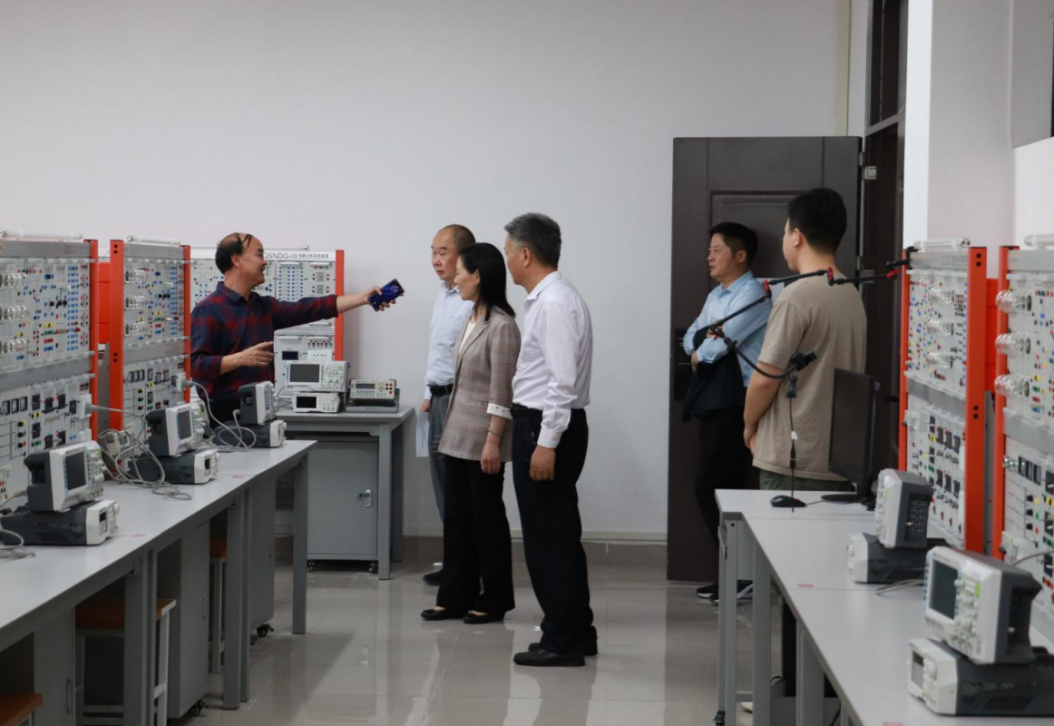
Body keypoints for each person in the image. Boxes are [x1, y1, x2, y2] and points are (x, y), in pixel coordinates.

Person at [504, 213, 595, 668]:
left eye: (508, 252)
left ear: (526, 254)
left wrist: (545, 443)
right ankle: (576, 630)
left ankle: (562, 641)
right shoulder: (551, 298)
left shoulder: (554, 302)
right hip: (546, 425)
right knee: (559, 533)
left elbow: (561, 382)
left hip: (545, 427)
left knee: (548, 539)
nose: (506, 260)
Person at [190, 232, 391, 424]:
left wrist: (363, 298)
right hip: (224, 418)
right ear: (236, 260)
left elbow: (311, 308)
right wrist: (240, 359)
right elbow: (195, 365)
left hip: (261, 412)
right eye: (259, 255)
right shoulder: (208, 309)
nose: (265, 262)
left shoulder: (263, 306)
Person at [419, 243, 520, 624]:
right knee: (459, 520)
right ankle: (454, 597)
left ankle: (494, 598)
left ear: (478, 276)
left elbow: (501, 391)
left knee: (486, 521)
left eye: (461, 272)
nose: (455, 278)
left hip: (483, 439)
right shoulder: (472, 317)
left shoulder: (503, 325)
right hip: (457, 433)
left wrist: (494, 440)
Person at [743, 188, 867, 491]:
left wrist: (749, 425)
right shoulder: (850, 293)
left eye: (785, 232)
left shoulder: (797, 296)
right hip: (837, 458)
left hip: (793, 460)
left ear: (796, 237)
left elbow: (765, 379)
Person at [683, 222, 769, 604]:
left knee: (718, 486)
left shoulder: (752, 295)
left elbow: (718, 345)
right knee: (718, 488)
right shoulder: (716, 295)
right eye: (709, 250)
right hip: (714, 402)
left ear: (740, 255)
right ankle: (734, 575)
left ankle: (743, 576)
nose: (709, 257)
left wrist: (704, 347)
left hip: (738, 403)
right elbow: (691, 337)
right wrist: (702, 344)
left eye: (716, 249)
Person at [421, 224, 476, 586]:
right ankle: (456, 562)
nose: (435, 260)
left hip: (460, 399)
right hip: (438, 398)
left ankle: (469, 567)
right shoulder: (443, 295)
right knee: (443, 485)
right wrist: (428, 394)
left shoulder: (473, 300)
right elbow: (438, 352)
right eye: (433, 252)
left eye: (443, 252)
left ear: (463, 256)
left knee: (461, 488)